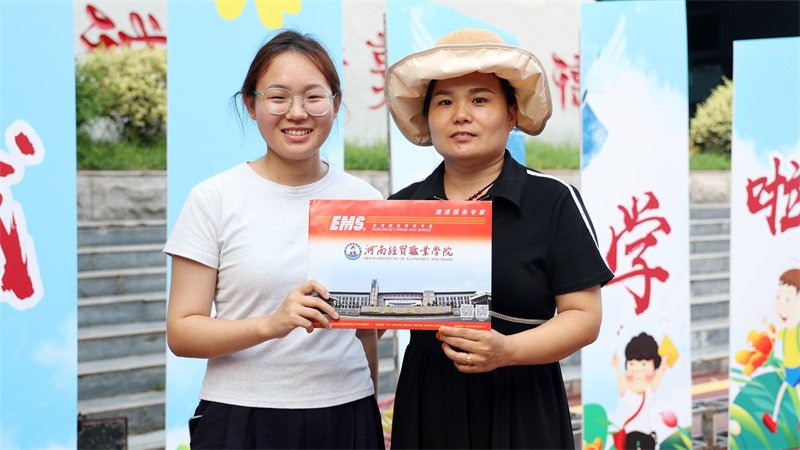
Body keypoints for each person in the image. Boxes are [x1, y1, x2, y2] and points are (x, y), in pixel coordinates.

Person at [383, 28, 614, 448]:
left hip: (523, 397)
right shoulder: (401, 208)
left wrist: (506, 351)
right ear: (428, 116)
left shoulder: (553, 200)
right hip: (429, 401)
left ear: (511, 115)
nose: (460, 115)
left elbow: (584, 317)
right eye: (444, 102)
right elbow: (370, 321)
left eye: (479, 99)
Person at [164, 30, 384, 449]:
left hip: (347, 412)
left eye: (314, 97)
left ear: (336, 104)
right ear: (251, 105)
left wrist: (368, 402)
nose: (297, 113)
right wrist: (272, 324)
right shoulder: (214, 198)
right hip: (242, 415)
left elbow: (365, 333)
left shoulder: (365, 201)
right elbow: (183, 331)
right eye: (278, 97)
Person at [611, 332, 669, 449]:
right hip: (631, 435)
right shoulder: (628, 394)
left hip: (645, 435)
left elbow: (662, 369)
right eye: (632, 364)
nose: (637, 371)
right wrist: (616, 367)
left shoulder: (649, 391)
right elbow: (620, 381)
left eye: (643, 365)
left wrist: (665, 346)